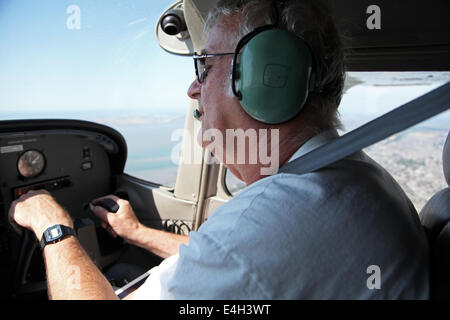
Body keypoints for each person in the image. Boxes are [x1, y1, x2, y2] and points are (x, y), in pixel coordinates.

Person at [9, 0, 430, 299]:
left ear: (269, 78)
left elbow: (244, 251)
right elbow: (233, 260)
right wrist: (136, 234)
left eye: (205, 66)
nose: (193, 88)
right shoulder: (355, 174)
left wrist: (53, 225)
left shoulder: (284, 212)